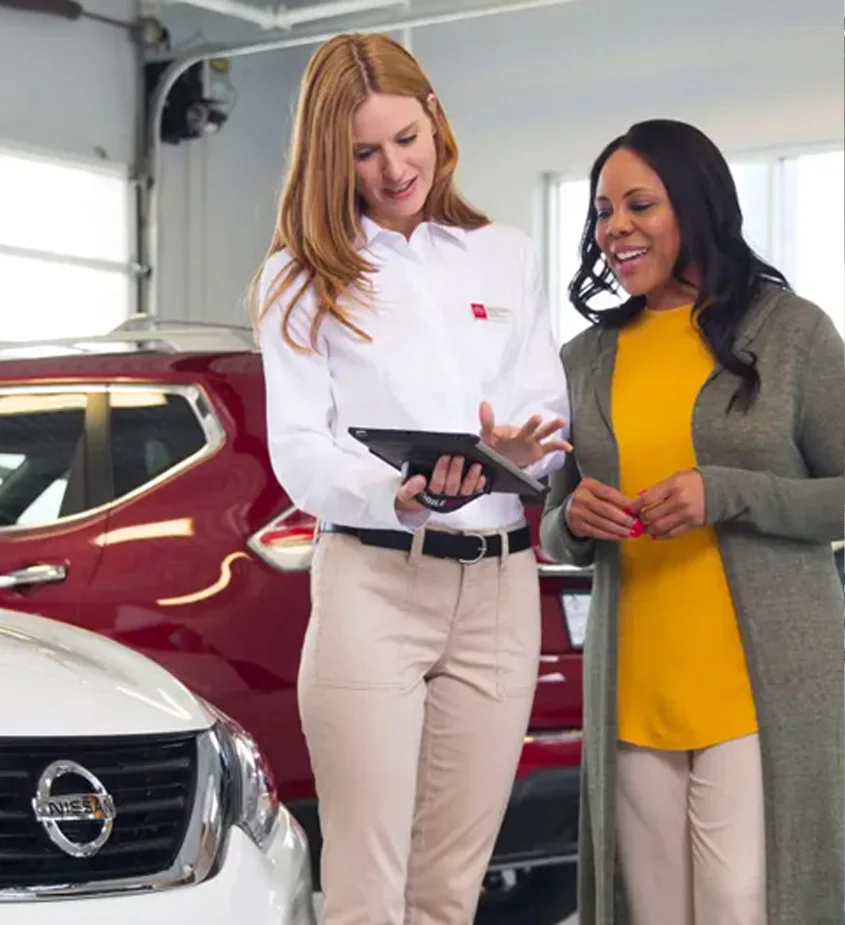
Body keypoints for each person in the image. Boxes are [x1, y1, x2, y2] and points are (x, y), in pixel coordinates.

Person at [252, 32, 570, 925]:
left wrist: (523, 446)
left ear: (435, 119)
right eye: (363, 151)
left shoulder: (503, 253)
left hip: (503, 586)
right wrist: (389, 491)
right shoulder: (300, 275)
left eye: (405, 138)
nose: (394, 168)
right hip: (374, 584)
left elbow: (549, 420)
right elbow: (298, 448)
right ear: (329, 157)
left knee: (449, 888)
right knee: (366, 884)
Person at [540, 118, 844, 925]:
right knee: (652, 914)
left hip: (760, 688)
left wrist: (727, 492)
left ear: (698, 205)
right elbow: (551, 529)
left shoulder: (792, 333)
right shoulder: (584, 358)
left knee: (739, 908)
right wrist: (573, 515)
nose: (615, 228)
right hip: (633, 689)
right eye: (603, 211)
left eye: (639, 203)